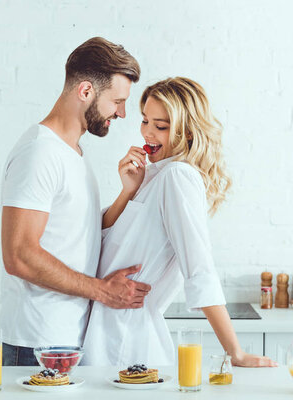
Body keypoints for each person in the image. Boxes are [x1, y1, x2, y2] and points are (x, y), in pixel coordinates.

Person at [82, 77, 277, 367]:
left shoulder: (177, 177)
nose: (148, 132)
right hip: (105, 334)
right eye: (145, 120)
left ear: (187, 133)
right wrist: (128, 191)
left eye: (160, 126)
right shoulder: (153, 177)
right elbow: (99, 239)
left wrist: (235, 352)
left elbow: (199, 269)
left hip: (124, 343)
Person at [0, 37, 151, 366]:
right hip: (36, 345)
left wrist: (127, 192)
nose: (122, 113)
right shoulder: (40, 153)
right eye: (117, 101)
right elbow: (19, 255)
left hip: (65, 339)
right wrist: (102, 290)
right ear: (86, 91)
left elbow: (76, 233)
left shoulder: (73, 153)